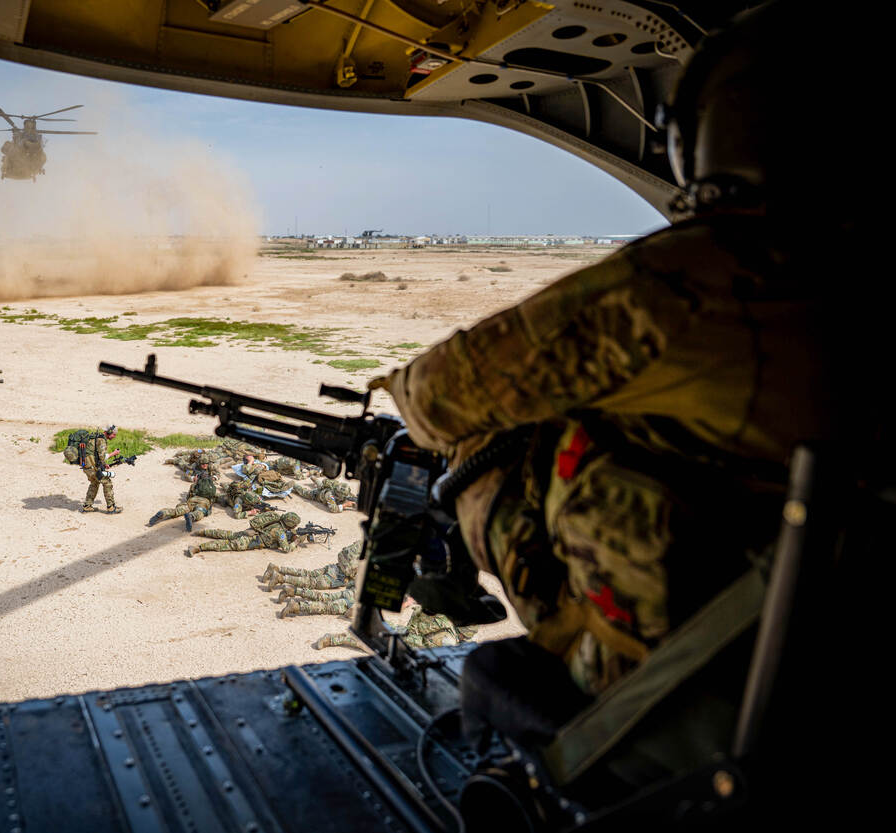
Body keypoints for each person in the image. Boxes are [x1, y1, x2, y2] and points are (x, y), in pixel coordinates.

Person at [366, 0, 867, 787]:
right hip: (838, 681)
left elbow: (439, 394)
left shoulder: (703, 277)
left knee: (482, 440)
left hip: (681, 681)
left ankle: (491, 604)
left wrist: (405, 402)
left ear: (709, 135)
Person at [312, 605, 480, 650]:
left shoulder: (448, 616)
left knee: (385, 626)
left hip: (414, 626)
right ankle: (333, 639)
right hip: (414, 635)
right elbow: (422, 645)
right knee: (379, 640)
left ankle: (359, 612)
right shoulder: (448, 640)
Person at [187, 511, 300, 556]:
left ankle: (202, 532)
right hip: (251, 541)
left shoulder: (275, 520)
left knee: (227, 534)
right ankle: (198, 548)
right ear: (290, 524)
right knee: (226, 544)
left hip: (250, 532)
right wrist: (295, 542)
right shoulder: (281, 533)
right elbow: (286, 548)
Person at [261, 540, 360, 590]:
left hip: (336, 566)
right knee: (311, 583)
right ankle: (281, 579)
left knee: (308, 573)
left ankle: (277, 568)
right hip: (340, 576)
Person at [148, 463, 217, 530]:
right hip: (203, 503)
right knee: (199, 512)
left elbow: (188, 496)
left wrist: (194, 482)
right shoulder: (212, 487)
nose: (204, 465)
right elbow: (213, 497)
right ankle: (191, 516)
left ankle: (163, 513)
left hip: (192, 501)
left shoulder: (194, 485)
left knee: (177, 511)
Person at [80, 425, 122, 514]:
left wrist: (104, 464)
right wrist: (114, 453)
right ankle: (111, 507)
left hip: (86, 466)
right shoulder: (101, 440)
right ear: (109, 432)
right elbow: (102, 456)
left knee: (94, 483)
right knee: (107, 482)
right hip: (91, 466)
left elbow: (96, 455)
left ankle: (87, 506)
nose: (114, 436)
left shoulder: (95, 437)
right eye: (114, 434)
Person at [290, 477, 356, 513]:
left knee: (320, 485)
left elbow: (350, 495)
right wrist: (346, 505)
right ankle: (294, 485)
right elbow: (333, 509)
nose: (346, 496)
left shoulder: (342, 489)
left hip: (326, 488)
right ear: (339, 494)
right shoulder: (330, 495)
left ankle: (314, 478)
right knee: (304, 492)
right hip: (318, 495)